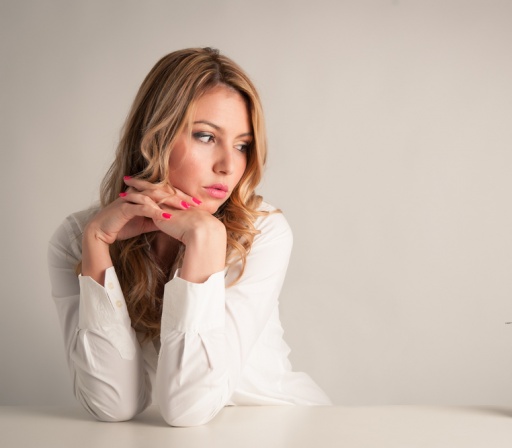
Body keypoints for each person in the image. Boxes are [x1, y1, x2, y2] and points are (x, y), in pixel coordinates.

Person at [47, 47, 331, 427]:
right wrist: (97, 242)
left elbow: (188, 408)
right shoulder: (79, 236)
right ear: (155, 135)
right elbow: (111, 405)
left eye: (242, 146)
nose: (229, 166)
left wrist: (206, 240)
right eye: (205, 136)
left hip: (276, 426)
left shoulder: (262, 231)